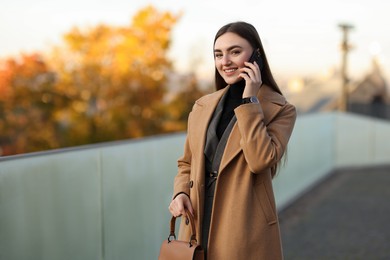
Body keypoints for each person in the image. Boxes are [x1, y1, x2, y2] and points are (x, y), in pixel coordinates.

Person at [168, 21, 296, 259]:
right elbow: (186, 163)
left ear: (256, 55)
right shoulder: (202, 106)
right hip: (196, 222)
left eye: (235, 52)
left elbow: (259, 160)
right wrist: (180, 193)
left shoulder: (281, 110)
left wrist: (249, 101)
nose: (225, 61)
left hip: (244, 230)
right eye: (218, 54)